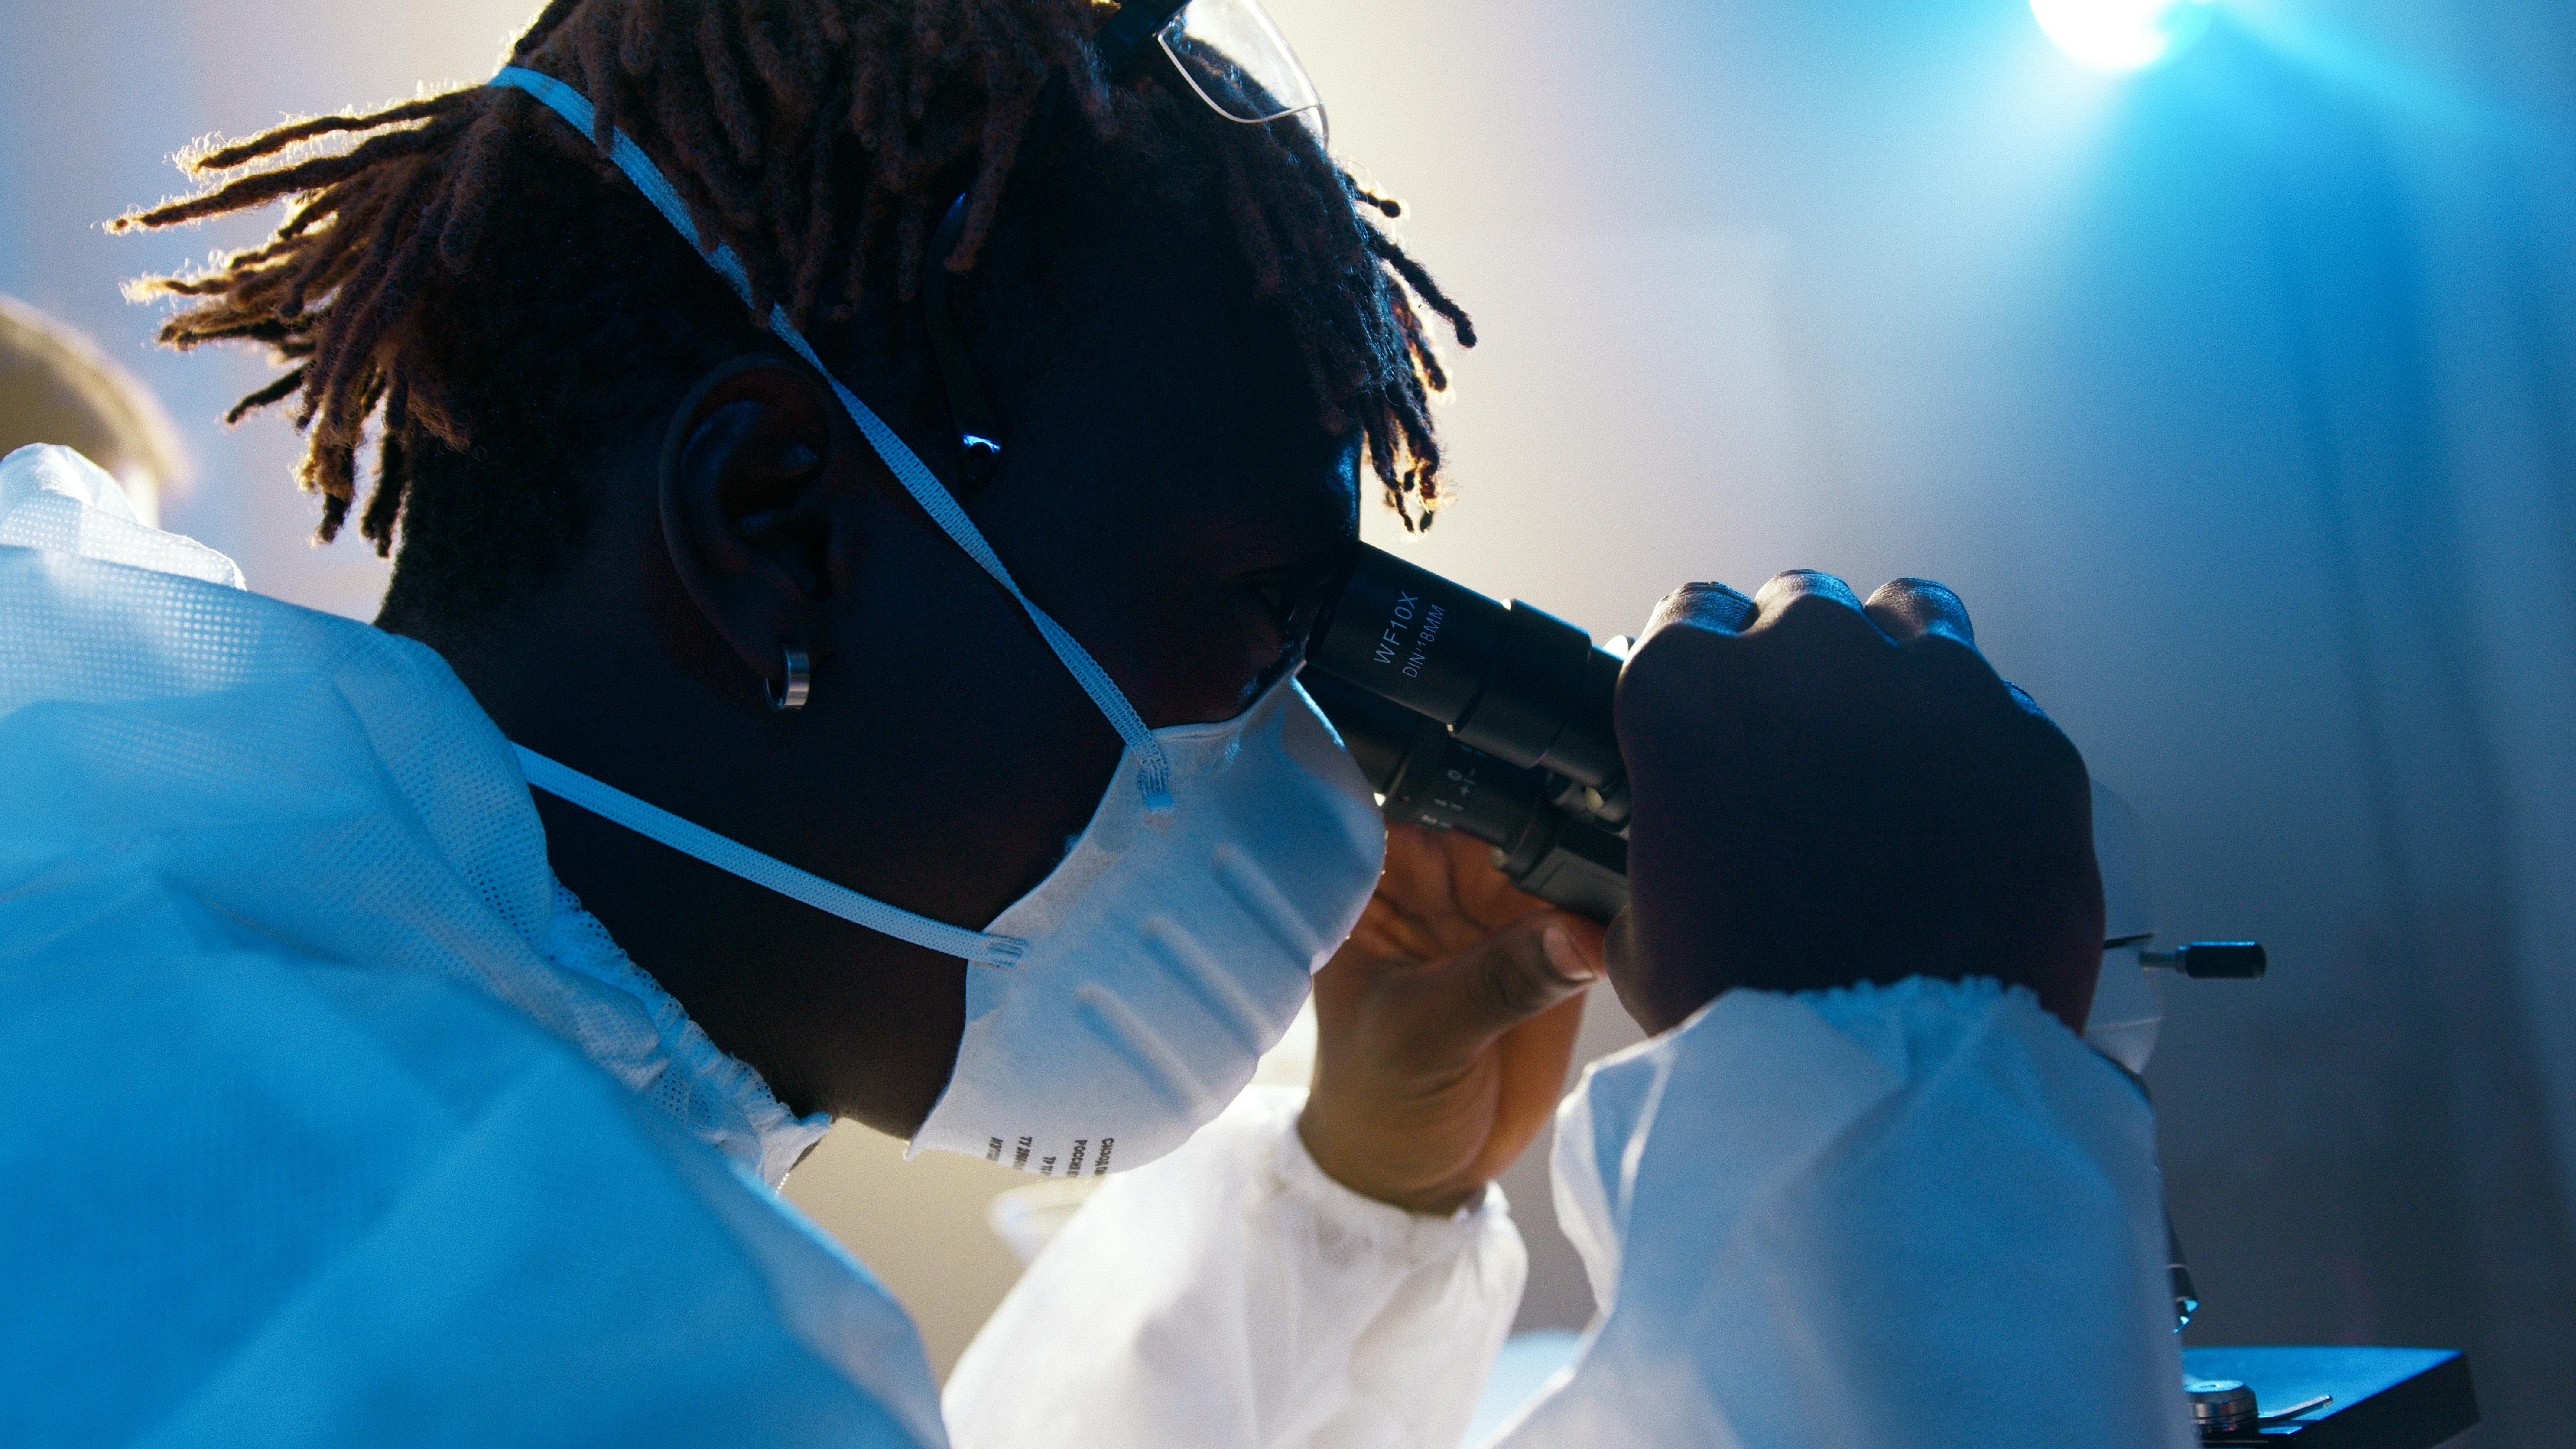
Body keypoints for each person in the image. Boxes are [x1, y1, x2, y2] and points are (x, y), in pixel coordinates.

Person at [0, 0, 2190, 1445]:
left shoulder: (244, 1039)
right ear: (778, 523)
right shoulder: (448, 1304)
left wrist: (1348, 1202)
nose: (1311, 784)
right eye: (1251, 617)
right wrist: (1903, 1117)